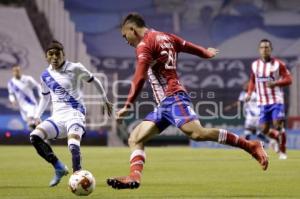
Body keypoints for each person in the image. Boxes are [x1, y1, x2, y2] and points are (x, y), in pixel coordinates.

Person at [106, 13, 268, 190]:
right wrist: (205, 53)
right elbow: (186, 45)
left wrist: (127, 105)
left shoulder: (144, 45)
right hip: (164, 105)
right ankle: (133, 177)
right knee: (135, 138)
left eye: (125, 35)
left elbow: (139, 78)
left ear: (132, 29)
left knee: (198, 134)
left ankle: (251, 145)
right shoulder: (166, 36)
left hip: (173, 97)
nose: (125, 40)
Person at [29, 40, 113, 187]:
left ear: (63, 54)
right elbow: (45, 97)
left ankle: (77, 175)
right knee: (35, 137)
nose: (54, 57)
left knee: (73, 144)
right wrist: (37, 116)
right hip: (57, 118)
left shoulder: (75, 68)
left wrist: (104, 100)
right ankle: (58, 167)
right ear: (46, 57)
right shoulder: (45, 75)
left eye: (57, 54)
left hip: (75, 113)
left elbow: (94, 81)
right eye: (51, 54)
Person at [246, 39, 292, 160]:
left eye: (267, 47)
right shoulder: (255, 65)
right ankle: (275, 138)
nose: (264, 49)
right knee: (263, 129)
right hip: (262, 102)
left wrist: (276, 83)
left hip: (276, 100)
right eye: (262, 47)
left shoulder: (278, 64)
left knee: (277, 124)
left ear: (271, 49)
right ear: (259, 50)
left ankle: (282, 151)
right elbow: (252, 80)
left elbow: (289, 79)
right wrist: (250, 93)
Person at [7, 65, 41, 130]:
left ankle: (41, 134)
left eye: (18, 70)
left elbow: (38, 86)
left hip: (31, 103)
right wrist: (12, 100)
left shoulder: (28, 79)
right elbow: (11, 94)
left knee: (31, 121)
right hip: (22, 106)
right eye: (15, 71)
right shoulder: (11, 83)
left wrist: (41, 95)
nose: (16, 72)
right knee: (31, 123)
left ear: (20, 71)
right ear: (12, 72)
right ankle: (39, 136)